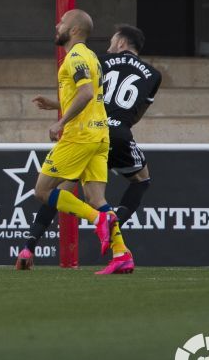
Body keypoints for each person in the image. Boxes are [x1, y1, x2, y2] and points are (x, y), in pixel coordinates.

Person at [16, 24, 160, 270]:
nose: (109, 46)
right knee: (130, 184)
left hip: (84, 133)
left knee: (49, 191)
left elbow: (86, 93)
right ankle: (121, 253)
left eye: (113, 42)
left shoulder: (94, 58)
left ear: (122, 44)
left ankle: (32, 244)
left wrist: (60, 120)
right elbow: (127, 108)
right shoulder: (153, 74)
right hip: (113, 132)